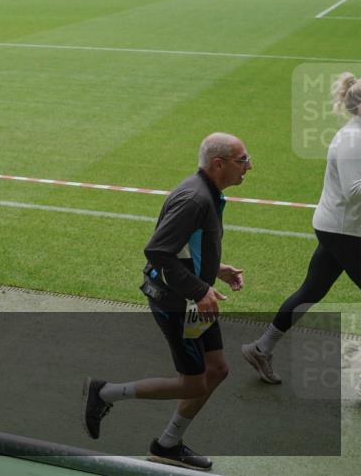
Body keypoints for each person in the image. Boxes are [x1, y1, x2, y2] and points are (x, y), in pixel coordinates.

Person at [83, 133, 251, 471]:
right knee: (193, 382)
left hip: (193, 297)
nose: (249, 166)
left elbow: (183, 247)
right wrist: (200, 290)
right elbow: (158, 251)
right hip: (176, 302)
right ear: (218, 164)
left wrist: (214, 271)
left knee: (216, 370)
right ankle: (104, 394)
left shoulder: (207, 193)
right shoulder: (195, 198)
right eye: (242, 159)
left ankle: (168, 444)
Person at [242, 72, 361, 385]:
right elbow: (355, 190)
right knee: (312, 289)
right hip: (344, 231)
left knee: (312, 290)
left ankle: (261, 347)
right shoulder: (353, 139)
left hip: (340, 227)